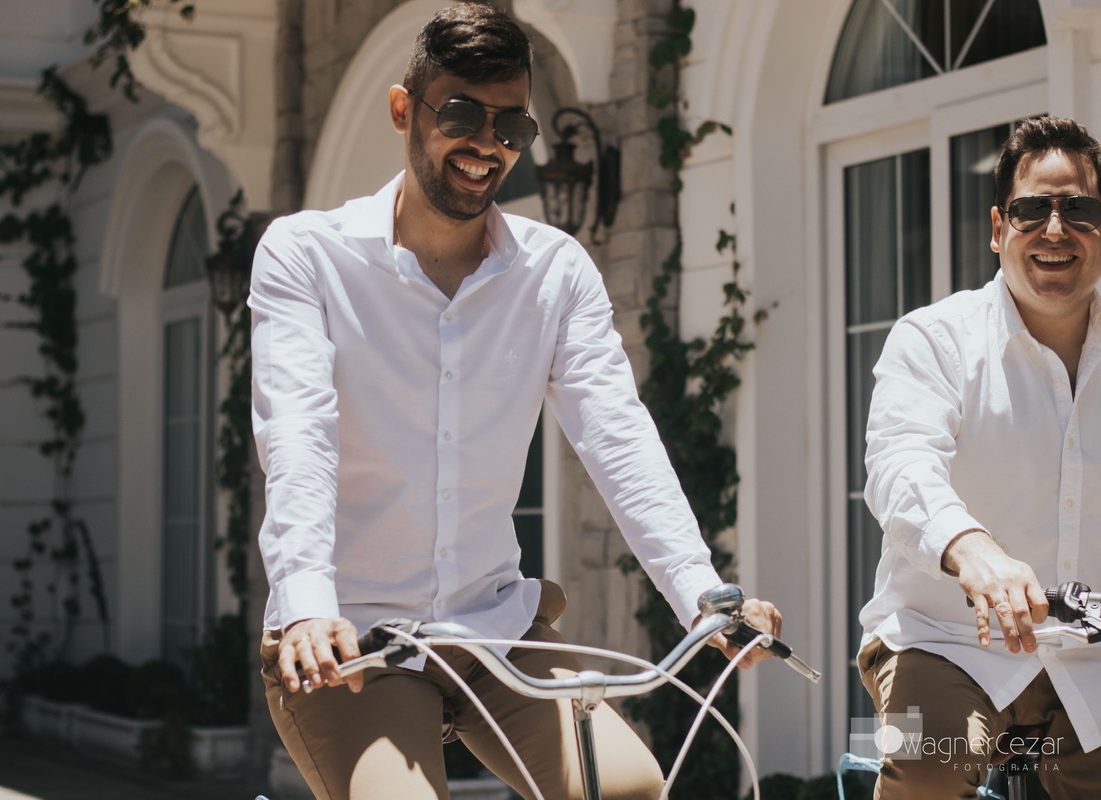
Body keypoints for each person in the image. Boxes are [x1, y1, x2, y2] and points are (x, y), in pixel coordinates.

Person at [249, 4, 781, 799]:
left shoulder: (555, 270)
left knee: (628, 791)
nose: (486, 144)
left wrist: (702, 594)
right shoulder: (306, 255)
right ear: (404, 110)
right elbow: (298, 435)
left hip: (492, 630)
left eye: (512, 127)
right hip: (350, 637)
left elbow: (618, 436)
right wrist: (304, 603)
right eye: (461, 115)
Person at [859, 115, 1101, 799]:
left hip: (1091, 659)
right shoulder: (933, 339)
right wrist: (971, 550)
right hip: (938, 641)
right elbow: (900, 463)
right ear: (999, 229)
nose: (1055, 229)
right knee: (925, 764)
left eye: (1080, 210)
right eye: (1032, 210)